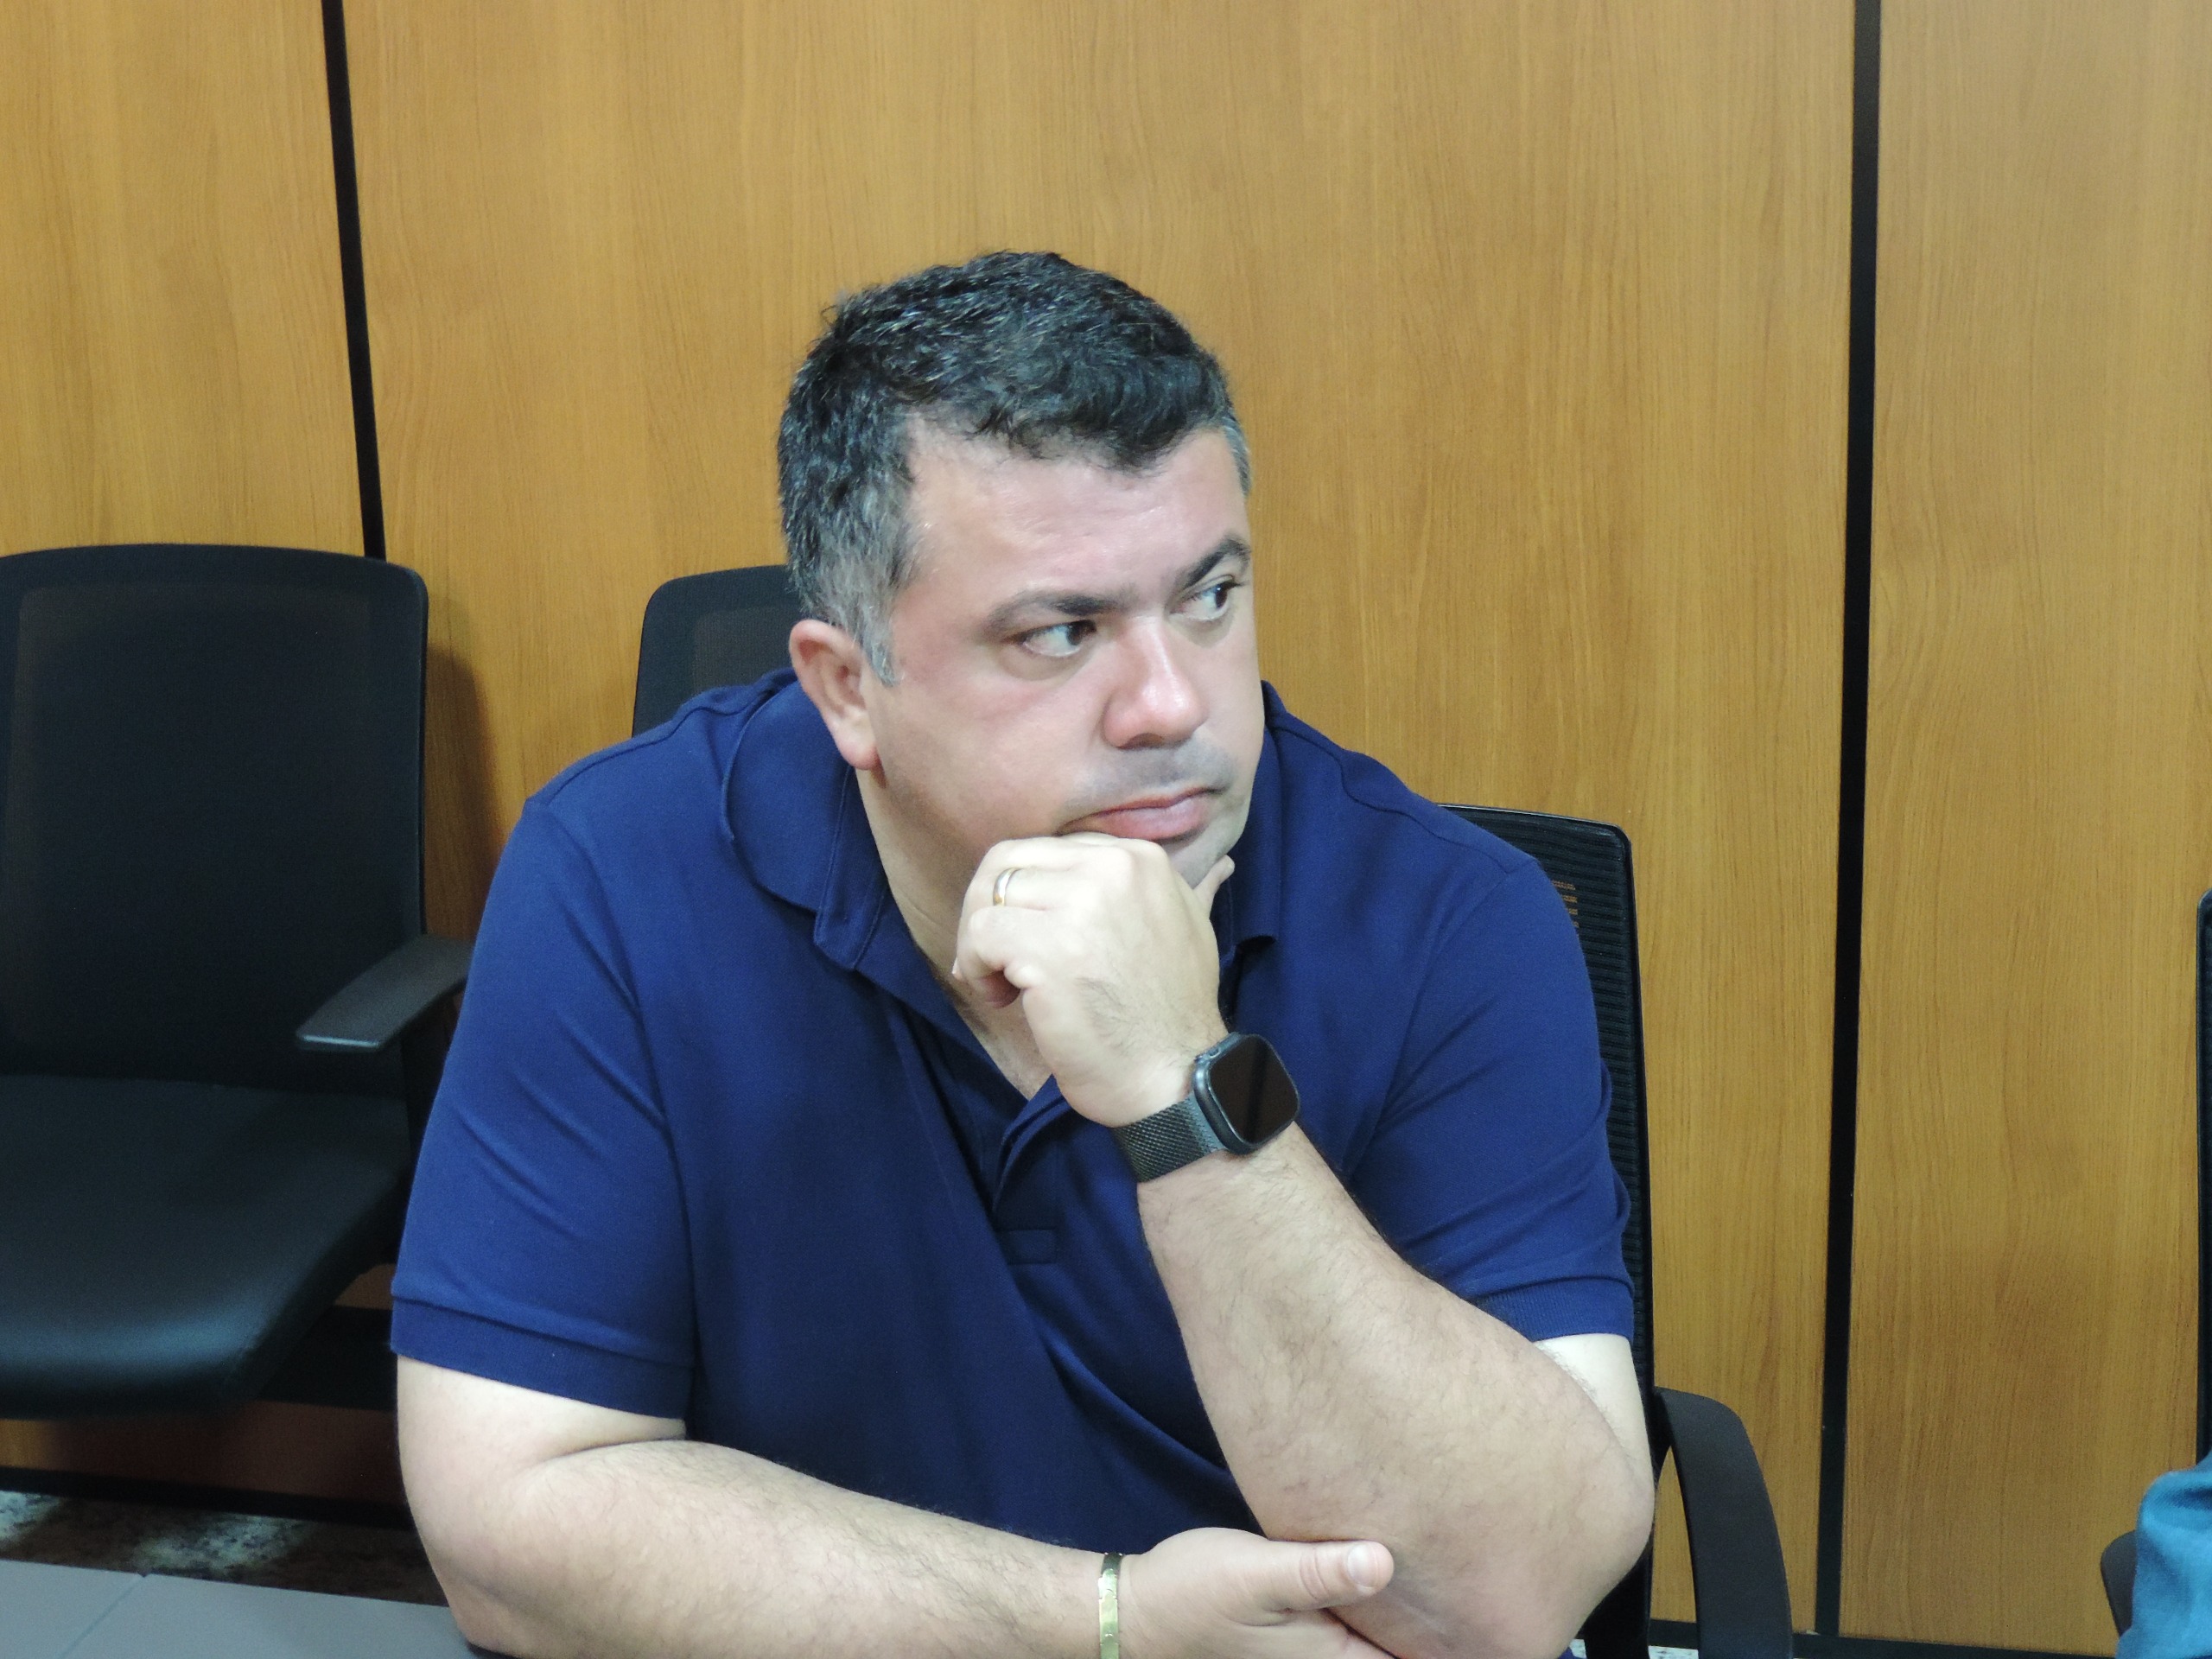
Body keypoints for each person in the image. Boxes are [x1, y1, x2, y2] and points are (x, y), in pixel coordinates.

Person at [391, 251, 1654, 1659]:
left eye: (1210, 597)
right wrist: (1103, 1630)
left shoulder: (1454, 918)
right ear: (848, 689)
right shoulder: (617, 869)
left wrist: (1189, 1091)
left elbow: (1511, 1598)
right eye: (1063, 633)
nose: (1171, 704)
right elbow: (510, 1518)